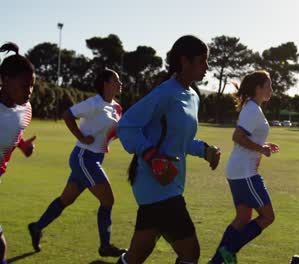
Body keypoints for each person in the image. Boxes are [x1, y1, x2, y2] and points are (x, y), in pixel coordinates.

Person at [116, 35, 221, 264]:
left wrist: (205, 150)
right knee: (190, 252)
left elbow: (179, 140)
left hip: (170, 183)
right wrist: (152, 156)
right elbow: (126, 126)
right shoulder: (165, 93)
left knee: (137, 254)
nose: (207, 67)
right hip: (155, 184)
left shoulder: (193, 96)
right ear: (185, 61)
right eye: (202, 61)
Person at [28, 68, 127, 257]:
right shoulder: (94, 103)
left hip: (95, 158)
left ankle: (36, 227)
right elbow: (68, 114)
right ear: (105, 84)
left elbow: (115, 132)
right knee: (108, 200)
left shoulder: (117, 107)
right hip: (84, 158)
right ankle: (105, 246)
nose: (120, 83)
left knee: (66, 200)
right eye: (116, 80)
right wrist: (81, 136)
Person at [209, 71, 279, 264]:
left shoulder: (252, 108)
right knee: (267, 216)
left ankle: (216, 261)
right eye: (268, 85)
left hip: (239, 171)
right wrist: (260, 149)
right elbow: (237, 136)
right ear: (258, 89)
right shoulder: (252, 109)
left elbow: (247, 137)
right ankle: (227, 251)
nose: (271, 90)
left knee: (242, 218)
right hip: (245, 172)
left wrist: (263, 145)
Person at [0, 42, 36, 264]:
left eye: (32, 85)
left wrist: (22, 146)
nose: (29, 91)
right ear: (4, 81)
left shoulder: (26, 110)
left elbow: (13, 132)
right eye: (24, 85)